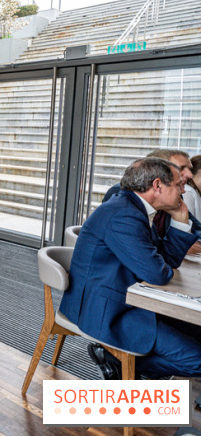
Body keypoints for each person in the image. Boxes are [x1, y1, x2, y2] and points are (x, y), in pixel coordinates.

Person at [61, 157, 201, 380]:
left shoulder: (134, 207)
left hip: (129, 298)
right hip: (109, 310)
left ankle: (126, 365)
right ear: (157, 186)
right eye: (178, 185)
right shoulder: (123, 214)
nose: (183, 191)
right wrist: (164, 260)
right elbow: (158, 273)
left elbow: (167, 262)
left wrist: (181, 220)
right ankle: (121, 363)